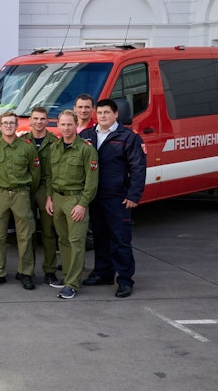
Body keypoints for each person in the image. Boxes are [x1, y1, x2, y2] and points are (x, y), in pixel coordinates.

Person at [80, 98, 146, 298]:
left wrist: (134, 195)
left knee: (120, 239)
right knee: (100, 237)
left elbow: (138, 167)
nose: (103, 116)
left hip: (118, 198)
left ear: (116, 114)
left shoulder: (128, 137)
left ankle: (125, 279)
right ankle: (103, 273)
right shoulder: (87, 135)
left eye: (107, 113)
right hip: (95, 196)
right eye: (99, 113)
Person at [44, 109, 98, 299]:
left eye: (69, 124)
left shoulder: (86, 149)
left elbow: (91, 182)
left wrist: (82, 204)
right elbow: (50, 175)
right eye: (63, 124)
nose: (66, 128)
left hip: (75, 200)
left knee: (76, 242)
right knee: (64, 240)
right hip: (57, 199)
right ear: (58, 125)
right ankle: (66, 275)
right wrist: (49, 197)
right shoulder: (55, 147)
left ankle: (73, 284)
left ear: (76, 125)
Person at [0, 111, 40, 290]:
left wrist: (25, 191)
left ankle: (25, 272)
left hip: (21, 194)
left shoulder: (27, 147)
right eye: (5, 123)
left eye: (12, 123)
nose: (8, 126)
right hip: (0, 194)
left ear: (17, 126)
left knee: (25, 235)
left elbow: (35, 174)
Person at [20, 106, 61, 284]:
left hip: (45, 188)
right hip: (26, 189)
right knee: (26, 232)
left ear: (47, 121)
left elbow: (56, 171)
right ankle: (26, 271)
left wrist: (50, 196)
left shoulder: (55, 143)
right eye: (35, 119)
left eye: (42, 119)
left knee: (48, 232)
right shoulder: (21, 142)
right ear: (30, 121)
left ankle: (50, 270)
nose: (38, 122)